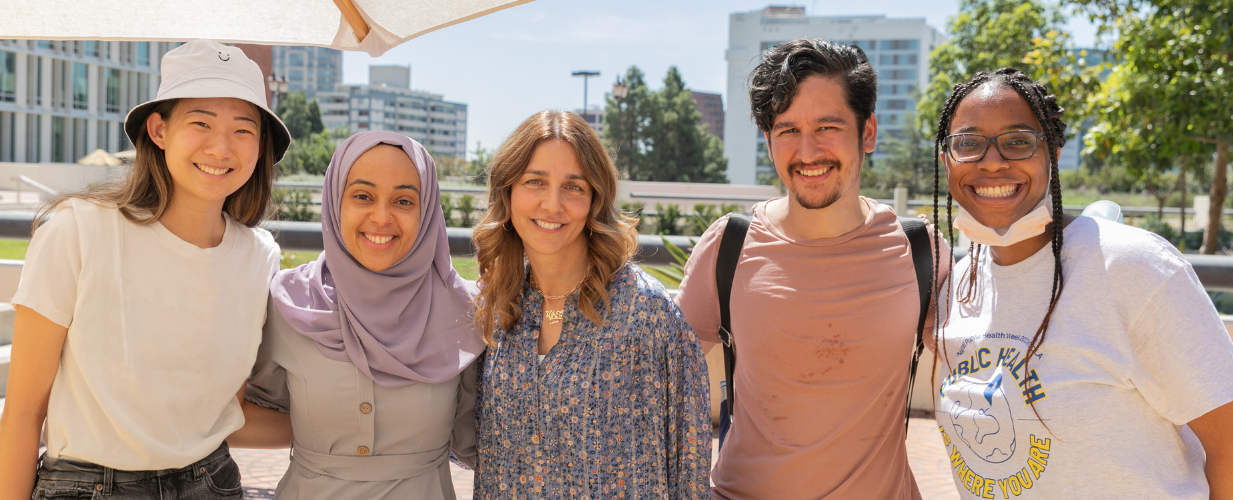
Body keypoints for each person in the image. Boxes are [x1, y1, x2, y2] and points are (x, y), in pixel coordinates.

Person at [928, 67, 1233, 499]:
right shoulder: (956, 285)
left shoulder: (1132, 267)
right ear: (946, 160)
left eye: (1017, 141)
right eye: (968, 144)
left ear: (1053, 152)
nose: (992, 161)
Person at [0, 39, 289, 500]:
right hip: (87, 486)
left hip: (212, 483)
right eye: (201, 122)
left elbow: (223, 413)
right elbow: (21, 413)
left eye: (243, 130)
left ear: (260, 148)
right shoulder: (79, 231)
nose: (221, 147)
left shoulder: (259, 257)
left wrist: (376, 433)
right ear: (158, 130)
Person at [674, 38, 950, 499]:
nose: (807, 151)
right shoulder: (729, 246)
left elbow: (995, 373)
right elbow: (658, 384)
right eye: (787, 130)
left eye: (827, 126)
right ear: (768, 141)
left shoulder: (921, 251)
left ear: (868, 132)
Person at [470, 110, 711, 498]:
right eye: (535, 182)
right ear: (508, 192)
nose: (552, 204)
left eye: (574, 187)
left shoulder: (645, 312)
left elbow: (691, 464)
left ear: (595, 200)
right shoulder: (500, 305)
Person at [243, 131, 484, 499]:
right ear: (334, 201)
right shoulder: (287, 303)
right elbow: (244, 413)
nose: (382, 217)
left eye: (404, 200)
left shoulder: (465, 312)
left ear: (428, 211)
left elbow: (479, 439)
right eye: (362, 196)